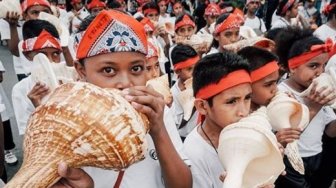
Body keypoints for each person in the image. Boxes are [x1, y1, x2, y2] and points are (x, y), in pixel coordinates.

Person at [49, 10, 192, 188]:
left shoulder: (157, 112)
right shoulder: (62, 126)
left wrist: (158, 129)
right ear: (81, 71)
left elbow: (183, 185)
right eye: (108, 70)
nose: (125, 84)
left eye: (137, 69)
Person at [274, 27, 336, 187]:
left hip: (317, 156)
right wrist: (313, 106)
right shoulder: (281, 94)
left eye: (323, 66)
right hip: (290, 162)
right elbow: (289, 135)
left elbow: (330, 131)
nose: (320, 72)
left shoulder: (319, 90)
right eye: (313, 66)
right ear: (293, 67)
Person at [183, 51, 253, 187]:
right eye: (232, 101)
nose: (243, 112)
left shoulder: (246, 133)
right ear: (203, 106)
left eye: (247, 98)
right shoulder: (194, 155)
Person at [12, 19, 74, 135]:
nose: (50, 61)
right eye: (42, 55)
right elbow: (28, 137)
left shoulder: (70, 78)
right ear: (28, 55)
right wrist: (39, 108)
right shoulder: (21, 90)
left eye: (55, 54)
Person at [237, 46, 302, 148]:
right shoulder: (240, 119)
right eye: (268, 84)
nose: (275, 89)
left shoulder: (267, 106)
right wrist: (275, 144)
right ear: (246, 86)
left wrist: (290, 112)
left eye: (276, 82)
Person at [170, 44, 198, 141]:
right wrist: (192, 106)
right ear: (177, 71)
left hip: (201, 134)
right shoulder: (173, 93)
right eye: (189, 69)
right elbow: (176, 124)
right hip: (184, 137)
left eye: (196, 67)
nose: (195, 73)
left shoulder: (200, 83)